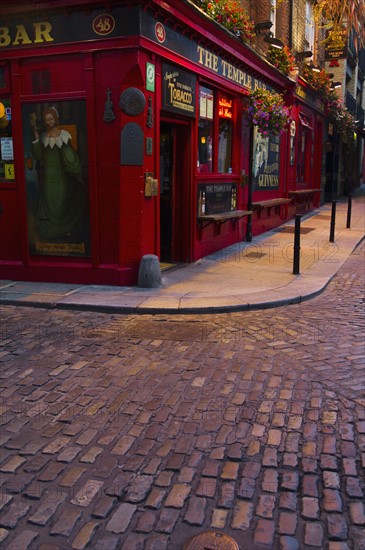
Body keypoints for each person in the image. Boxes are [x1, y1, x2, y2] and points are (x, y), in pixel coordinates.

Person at [30, 106, 84, 241]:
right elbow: (39, 155)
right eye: (47, 120)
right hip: (49, 178)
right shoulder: (43, 137)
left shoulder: (62, 135)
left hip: (61, 178)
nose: (49, 122)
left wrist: (76, 169)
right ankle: (50, 232)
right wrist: (36, 134)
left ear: (55, 119)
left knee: (61, 203)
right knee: (50, 202)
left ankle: (65, 230)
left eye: (51, 119)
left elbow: (69, 156)